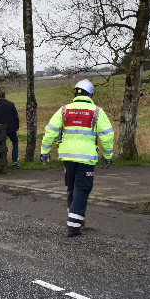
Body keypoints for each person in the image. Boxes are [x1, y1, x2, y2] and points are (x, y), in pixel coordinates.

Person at [39, 79, 114, 237]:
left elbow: (50, 131)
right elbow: (107, 136)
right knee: (83, 189)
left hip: (67, 157)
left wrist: (44, 152)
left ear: (76, 93)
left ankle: (75, 219)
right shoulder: (96, 111)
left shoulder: (64, 110)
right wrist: (107, 156)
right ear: (90, 94)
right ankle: (73, 227)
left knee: (71, 188)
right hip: (86, 159)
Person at [0, 91, 20, 166]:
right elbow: (16, 117)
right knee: (15, 142)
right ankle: (15, 160)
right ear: (4, 96)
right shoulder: (11, 104)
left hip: (0, 129)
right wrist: (17, 126)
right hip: (11, 128)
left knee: (1, 144)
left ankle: (2, 161)